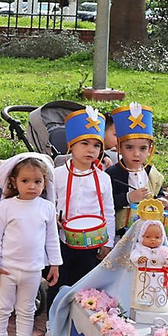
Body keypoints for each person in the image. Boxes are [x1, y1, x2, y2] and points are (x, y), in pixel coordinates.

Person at [0, 153, 61, 336]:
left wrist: (54, 264)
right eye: (25, 181)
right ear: (14, 181)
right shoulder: (5, 206)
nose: (31, 186)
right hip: (6, 269)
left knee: (27, 309)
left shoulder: (46, 207)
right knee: (2, 307)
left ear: (44, 182)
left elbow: (52, 239)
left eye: (37, 181)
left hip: (33, 270)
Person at [49, 107, 115, 298]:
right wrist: (54, 218)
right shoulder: (57, 174)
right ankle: (53, 322)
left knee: (84, 285)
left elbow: (108, 211)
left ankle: (77, 323)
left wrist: (108, 242)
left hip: (91, 243)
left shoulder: (103, 179)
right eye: (84, 143)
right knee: (59, 281)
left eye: (96, 145)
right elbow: (49, 203)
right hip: (61, 240)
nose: (91, 150)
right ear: (71, 145)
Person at [105, 103, 164, 230]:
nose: (136, 154)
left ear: (150, 149)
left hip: (149, 232)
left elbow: (160, 193)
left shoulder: (152, 174)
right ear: (119, 147)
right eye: (129, 148)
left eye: (143, 148)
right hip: (121, 231)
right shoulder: (112, 174)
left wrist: (161, 200)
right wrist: (128, 197)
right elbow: (106, 203)